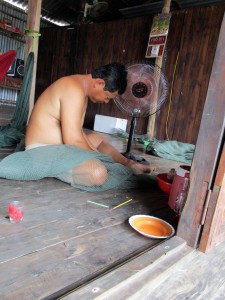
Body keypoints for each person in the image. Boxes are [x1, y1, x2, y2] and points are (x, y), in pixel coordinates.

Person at [25, 62, 154, 187]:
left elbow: (77, 133)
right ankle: (117, 167)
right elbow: (73, 140)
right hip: (42, 152)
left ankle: (129, 164)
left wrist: (97, 152)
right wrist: (103, 159)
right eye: (108, 97)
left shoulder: (79, 89)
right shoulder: (72, 88)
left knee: (97, 139)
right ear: (99, 83)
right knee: (97, 173)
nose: (106, 102)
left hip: (60, 147)